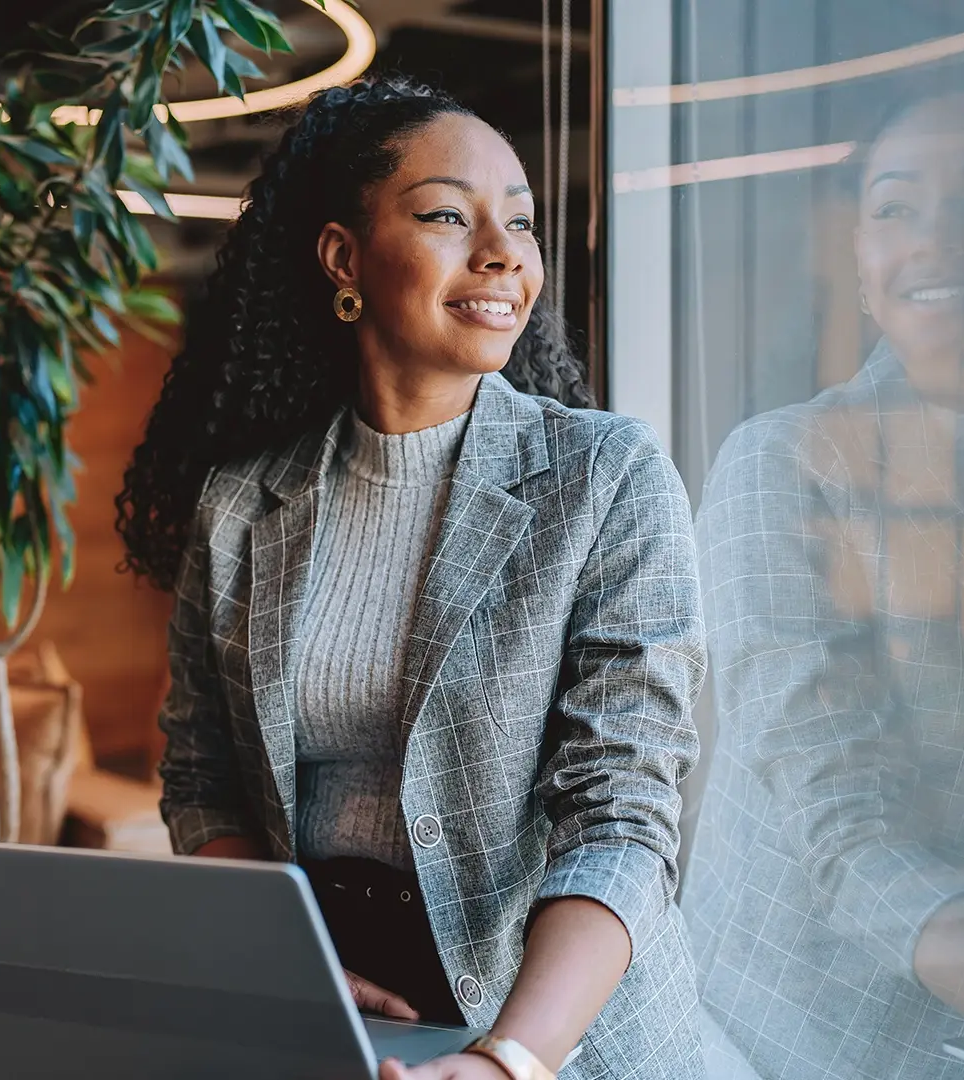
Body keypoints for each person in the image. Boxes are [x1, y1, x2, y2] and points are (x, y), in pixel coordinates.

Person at [117, 77, 707, 1080]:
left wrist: (506, 1061)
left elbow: (621, 812)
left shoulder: (605, 478)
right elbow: (204, 778)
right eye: (448, 214)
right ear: (344, 257)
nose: (504, 255)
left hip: (562, 1038)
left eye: (520, 223)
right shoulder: (242, 502)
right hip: (336, 1019)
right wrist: (291, 963)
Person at [684, 74, 964, 1080]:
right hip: (791, 1046)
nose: (936, 242)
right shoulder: (786, 464)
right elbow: (845, 834)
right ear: (860, 259)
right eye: (895, 207)